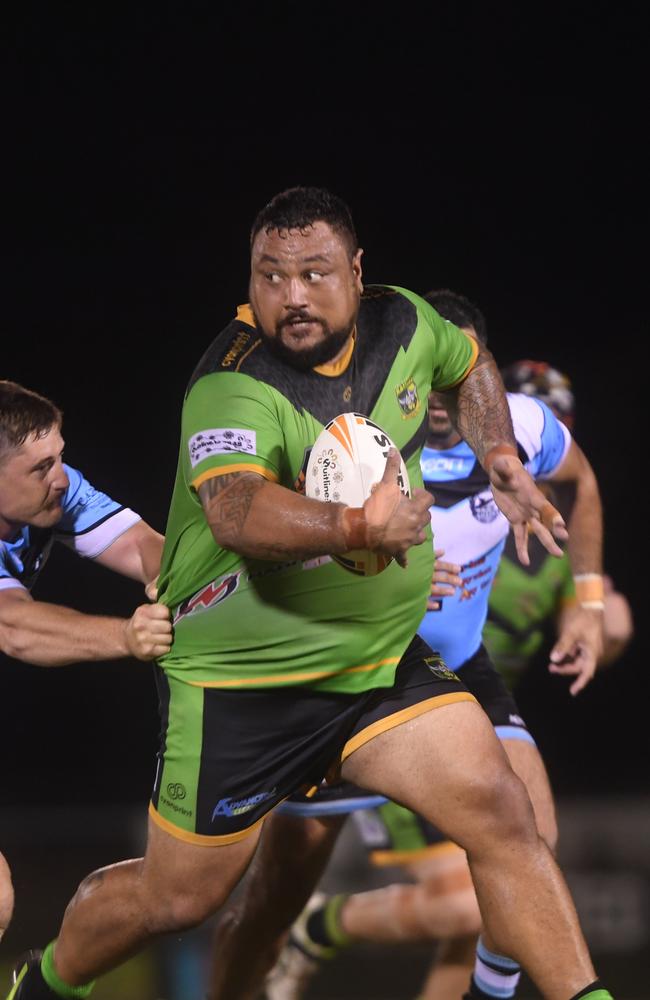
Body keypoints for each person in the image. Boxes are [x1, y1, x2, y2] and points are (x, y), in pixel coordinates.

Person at [8, 188, 611, 1000]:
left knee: (508, 819)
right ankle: (44, 984)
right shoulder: (230, 383)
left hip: (377, 662)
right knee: (180, 898)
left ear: (358, 273)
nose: (291, 296)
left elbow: (466, 362)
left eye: (314, 273)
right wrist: (364, 528)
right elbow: (236, 511)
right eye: (271, 275)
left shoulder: (406, 324)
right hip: (242, 688)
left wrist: (500, 452)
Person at [207, 289, 608, 1000]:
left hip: (454, 671)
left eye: (461, 372)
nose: (446, 393)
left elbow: (581, 484)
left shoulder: (520, 432)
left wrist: (589, 598)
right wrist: (375, 579)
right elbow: (269, 548)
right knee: (268, 903)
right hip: (350, 672)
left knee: (529, 849)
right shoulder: (356, 435)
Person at [0, 380, 172, 943]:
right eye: (40, 468)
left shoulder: (60, 491)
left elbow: (151, 554)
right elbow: (15, 627)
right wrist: (127, 636)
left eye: (59, 458)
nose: (60, 477)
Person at [485, 359, 633, 682]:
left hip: (489, 702)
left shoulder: (568, 542)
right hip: (412, 681)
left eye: (550, 428)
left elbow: (575, 635)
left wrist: (607, 631)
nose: (533, 442)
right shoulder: (452, 487)